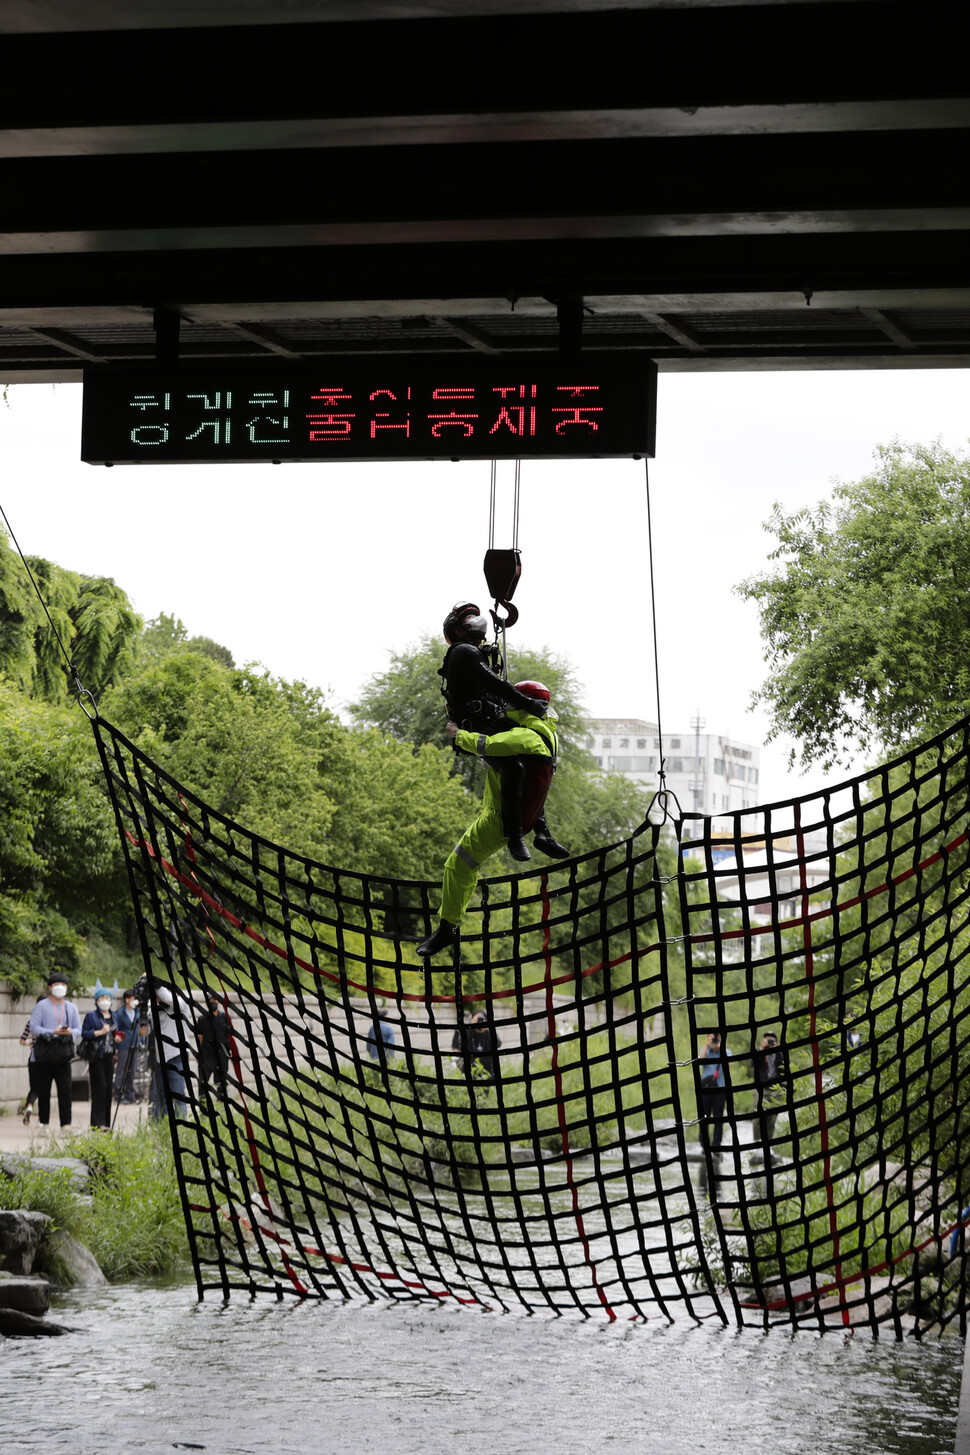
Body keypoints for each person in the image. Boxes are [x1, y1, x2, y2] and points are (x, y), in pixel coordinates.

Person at [417, 679, 569, 958]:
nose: (505, 707)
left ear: (523, 705)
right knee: (465, 864)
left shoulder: (527, 738)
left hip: (499, 818)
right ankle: (542, 833)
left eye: (511, 703)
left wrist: (457, 733)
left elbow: (488, 744)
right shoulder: (545, 732)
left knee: (457, 865)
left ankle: (447, 927)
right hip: (519, 811)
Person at [437, 602, 568, 862]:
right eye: (470, 618)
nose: (477, 620)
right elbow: (498, 685)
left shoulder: (478, 653)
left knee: (536, 757)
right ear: (460, 629)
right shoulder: (462, 651)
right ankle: (515, 835)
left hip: (492, 722)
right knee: (515, 768)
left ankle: (542, 831)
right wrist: (531, 705)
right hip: (480, 729)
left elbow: (494, 689)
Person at [28, 970, 81, 1129]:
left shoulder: (71, 1007)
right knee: (44, 1091)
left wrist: (69, 1032)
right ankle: (43, 1123)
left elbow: (78, 1029)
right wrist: (52, 1031)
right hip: (45, 1054)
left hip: (63, 1054)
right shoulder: (41, 1006)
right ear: (50, 987)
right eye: (57, 984)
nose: (60, 987)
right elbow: (34, 1028)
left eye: (63, 985)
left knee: (65, 1091)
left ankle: (66, 1125)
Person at [148, 982, 193, 1120]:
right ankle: (162, 1128)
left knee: (178, 1095)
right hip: (159, 1058)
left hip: (178, 1056)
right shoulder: (154, 1009)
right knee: (160, 1097)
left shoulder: (182, 1003)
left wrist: (152, 981)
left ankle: (181, 1129)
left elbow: (168, 999)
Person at [80, 981, 119, 1130]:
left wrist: (117, 1039)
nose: (105, 1000)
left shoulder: (114, 1016)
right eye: (102, 997)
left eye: (107, 997)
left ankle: (106, 1122)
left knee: (109, 1089)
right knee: (99, 1088)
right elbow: (85, 1034)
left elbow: (116, 1033)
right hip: (97, 1056)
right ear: (96, 1000)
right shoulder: (92, 1016)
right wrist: (100, 1032)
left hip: (110, 1056)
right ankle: (97, 1122)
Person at [754, 1029, 786, 1159]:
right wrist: (762, 1049)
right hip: (761, 1088)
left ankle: (769, 1146)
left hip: (775, 1088)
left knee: (772, 1118)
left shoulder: (779, 1053)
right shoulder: (759, 1051)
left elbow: (785, 1066)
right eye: (767, 1039)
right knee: (757, 1117)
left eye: (772, 1039)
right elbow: (753, 1063)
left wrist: (777, 1050)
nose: (769, 1041)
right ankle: (757, 1145)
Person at [699, 1031, 732, 1155]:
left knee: (718, 1118)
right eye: (712, 1039)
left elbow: (729, 1063)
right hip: (706, 1089)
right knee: (704, 1117)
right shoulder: (705, 1050)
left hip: (720, 1089)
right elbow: (700, 1059)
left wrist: (720, 1048)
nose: (714, 1041)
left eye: (716, 1039)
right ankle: (704, 1145)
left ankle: (716, 1145)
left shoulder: (726, 1051)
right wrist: (707, 1045)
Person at [196, 990, 231, 1102]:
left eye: (215, 1000)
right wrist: (199, 1053)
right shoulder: (202, 1020)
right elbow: (199, 1038)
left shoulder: (224, 1017)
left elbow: (230, 1036)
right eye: (211, 1001)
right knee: (203, 1083)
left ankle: (222, 1105)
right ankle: (204, 1107)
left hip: (221, 1056)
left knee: (221, 1083)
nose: (214, 1003)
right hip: (206, 1056)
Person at [17, 997, 45, 1125]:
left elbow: (22, 1040)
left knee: (34, 1087)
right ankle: (41, 1118)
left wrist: (31, 1042)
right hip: (47, 1059)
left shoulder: (32, 1021)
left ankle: (29, 1106)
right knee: (45, 1088)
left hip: (34, 1058)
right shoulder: (51, 1022)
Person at [113, 988, 142, 1104]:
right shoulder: (120, 1014)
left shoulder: (137, 1012)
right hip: (124, 1045)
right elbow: (116, 1029)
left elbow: (140, 1028)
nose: (134, 1000)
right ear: (127, 1000)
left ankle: (130, 1094)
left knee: (132, 1071)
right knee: (121, 1070)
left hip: (135, 1043)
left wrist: (141, 1041)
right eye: (132, 998)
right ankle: (118, 1094)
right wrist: (116, 1044)